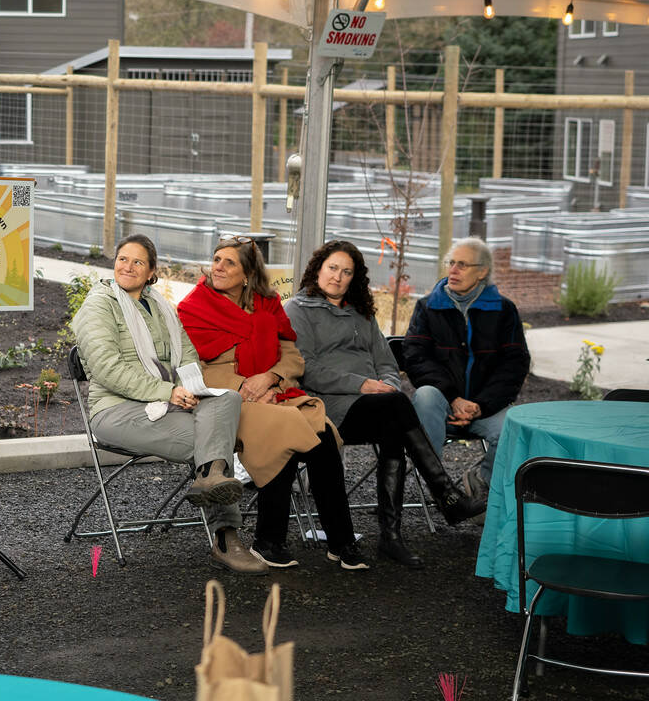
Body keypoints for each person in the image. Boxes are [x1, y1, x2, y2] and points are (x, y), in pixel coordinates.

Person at [71, 234, 266, 574]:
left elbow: (187, 354)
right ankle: (227, 537)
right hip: (115, 410)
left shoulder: (159, 305)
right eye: (122, 259)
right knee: (214, 442)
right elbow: (106, 368)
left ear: (151, 272)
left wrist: (188, 388)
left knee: (228, 399)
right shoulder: (99, 304)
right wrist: (167, 392)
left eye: (138, 262)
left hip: (166, 403)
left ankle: (210, 478)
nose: (127, 266)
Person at [285, 240, 485, 567]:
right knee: (396, 412)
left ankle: (392, 538)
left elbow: (387, 364)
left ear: (354, 278)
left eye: (346, 272)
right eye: (332, 268)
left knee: (395, 423)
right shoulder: (297, 309)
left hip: (376, 405)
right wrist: (362, 385)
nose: (337, 277)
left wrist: (386, 387)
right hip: (328, 408)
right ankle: (446, 496)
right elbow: (306, 368)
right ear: (318, 268)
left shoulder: (361, 313)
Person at [177, 237, 370, 571]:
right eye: (216, 259)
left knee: (322, 434)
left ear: (248, 274)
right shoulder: (194, 307)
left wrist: (272, 378)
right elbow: (194, 368)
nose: (218, 267)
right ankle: (269, 540)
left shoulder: (267, 304)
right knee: (284, 431)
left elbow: (292, 355)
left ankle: (339, 542)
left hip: (275, 391)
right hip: (226, 401)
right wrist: (246, 388)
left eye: (229, 262)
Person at [403, 236, 531, 503]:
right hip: (442, 403)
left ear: (482, 271)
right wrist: (454, 398)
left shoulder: (504, 310)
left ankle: (480, 482)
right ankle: (439, 486)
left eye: (462, 264)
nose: (453, 270)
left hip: (485, 407)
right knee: (425, 396)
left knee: (513, 427)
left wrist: (480, 405)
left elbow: (514, 364)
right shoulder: (428, 307)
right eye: (451, 263)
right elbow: (415, 357)